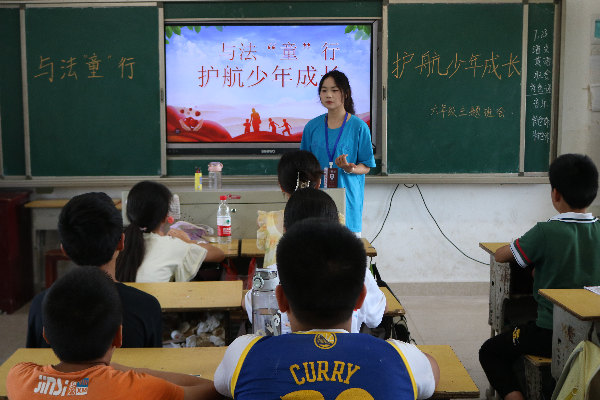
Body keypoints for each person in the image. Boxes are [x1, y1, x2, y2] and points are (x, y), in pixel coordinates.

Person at [216, 219, 439, 399]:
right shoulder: (402, 360)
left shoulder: (243, 356)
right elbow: (431, 369)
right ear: (361, 298)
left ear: (281, 300)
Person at [479, 153, 600, 400]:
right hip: (595, 335)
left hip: (550, 334)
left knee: (490, 351)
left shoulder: (545, 231)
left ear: (555, 194)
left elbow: (502, 255)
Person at [9, 267, 220, 400]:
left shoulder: (18, 377)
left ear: (46, 335)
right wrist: (126, 371)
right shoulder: (143, 389)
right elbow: (211, 389)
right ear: (118, 336)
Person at [26, 192, 162, 349]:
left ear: (65, 250)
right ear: (121, 242)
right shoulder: (146, 306)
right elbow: (155, 363)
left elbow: (33, 361)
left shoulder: (41, 305)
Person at [250, 188, 385, 333]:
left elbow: (248, 305)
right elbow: (377, 316)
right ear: (360, 296)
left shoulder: (269, 276)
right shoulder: (357, 272)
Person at [300, 70, 375, 236]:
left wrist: (350, 168)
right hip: (317, 201)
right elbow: (304, 165)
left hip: (347, 200)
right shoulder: (312, 127)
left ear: (346, 94)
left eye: (334, 90)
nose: (329, 95)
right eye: (324, 90)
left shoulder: (359, 127)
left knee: (347, 249)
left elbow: (366, 166)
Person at [116, 181, 224, 283]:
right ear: (165, 217)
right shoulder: (174, 245)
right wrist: (188, 242)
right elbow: (219, 254)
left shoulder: (115, 242)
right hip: (155, 297)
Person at [256, 150, 329, 268]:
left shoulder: (267, 221)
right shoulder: (336, 220)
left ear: (281, 186)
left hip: (279, 280)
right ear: (318, 183)